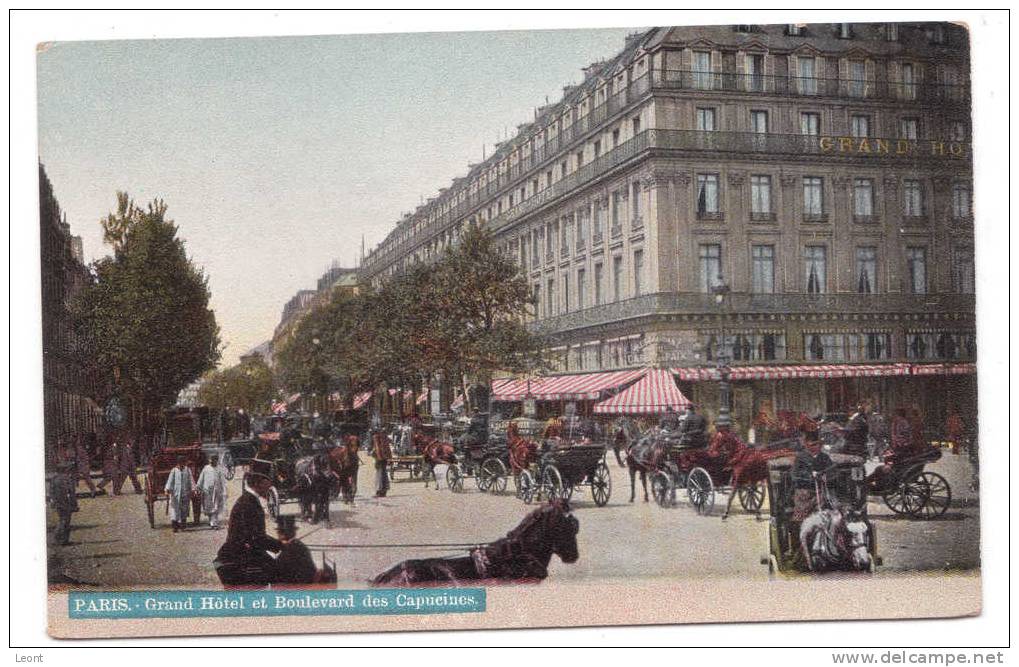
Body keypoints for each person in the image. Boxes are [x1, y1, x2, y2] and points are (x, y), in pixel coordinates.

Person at [214, 460, 284, 588]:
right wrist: (282, 546)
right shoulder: (249, 504)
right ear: (258, 483)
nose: (269, 489)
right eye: (267, 484)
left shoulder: (248, 500)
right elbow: (256, 538)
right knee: (282, 573)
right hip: (239, 560)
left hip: (242, 554)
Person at [274, 515, 317, 586]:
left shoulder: (291, 549)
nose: (277, 534)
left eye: (279, 531)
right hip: (300, 581)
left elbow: (279, 570)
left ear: (283, 534)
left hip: (299, 586)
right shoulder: (295, 544)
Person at [48, 461, 79, 546]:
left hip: (58, 502)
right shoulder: (68, 479)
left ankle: (61, 540)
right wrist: (75, 504)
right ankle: (60, 539)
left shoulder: (54, 479)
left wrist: (53, 501)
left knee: (62, 520)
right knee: (65, 521)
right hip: (66, 502)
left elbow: (51, 492)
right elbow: (71, 493)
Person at [197, 454, 228, 529]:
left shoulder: (219, 469)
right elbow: (201, 478)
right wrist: (198, 487)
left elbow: (223, 481)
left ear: (216, 461)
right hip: (207, 491)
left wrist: (224, 491)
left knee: (215, 507)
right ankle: (212, 521)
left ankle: (214, 523)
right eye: (210, 460)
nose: (211, 461)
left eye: (213, 460)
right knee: (209, 507)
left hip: (216, 491)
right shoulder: (206, 468)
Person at [164, 456, 195, 533]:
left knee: (184, 509)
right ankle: (175, 526)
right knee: (175, 510)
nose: (182, 465)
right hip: (175, 494)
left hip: (185, 493)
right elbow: (170, 481)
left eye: (183, 463)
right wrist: (167, 489)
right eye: (181, 463)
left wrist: (193, 489)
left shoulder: (187, 470)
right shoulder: (174, 471)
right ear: (178, 463)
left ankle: (183, 525)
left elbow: (191, 480)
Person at [371, 431, 392, 498]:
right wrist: (389, 457)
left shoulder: (376, 437)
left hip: (380, 458)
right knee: (384, 473)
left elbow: (377, 448)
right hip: (384, 457)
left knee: (379, 474)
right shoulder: (385, 437)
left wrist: (379, 457)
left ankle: (379, 491)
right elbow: (387, 448)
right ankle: (384, 490)